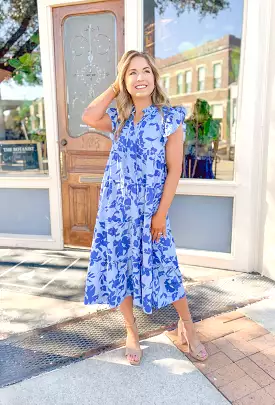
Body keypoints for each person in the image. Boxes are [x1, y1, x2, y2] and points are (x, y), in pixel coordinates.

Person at [82, 50, 208, 366]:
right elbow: (87, 115)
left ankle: (188, 326)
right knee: (121, 270)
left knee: (167, 269)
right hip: (115, 211)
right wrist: (113, 86)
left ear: (155, 78)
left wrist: (161, 214)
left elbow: (175, 169)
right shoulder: (118, 118)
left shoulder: (169, 117)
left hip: (150, 213)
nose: (141, 78)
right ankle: (131, 331)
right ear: (124, 81)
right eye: (132, 73)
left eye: (146, 71)